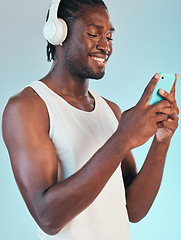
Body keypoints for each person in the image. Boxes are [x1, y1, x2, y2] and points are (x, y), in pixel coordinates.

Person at [2, 0, 179, 239]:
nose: (105, 46)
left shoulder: (111, 110)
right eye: (94, 34)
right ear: (59, 34)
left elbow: (134, 210)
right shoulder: (27, 107)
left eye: (109, 36)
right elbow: (48, 218)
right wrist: (122, 139)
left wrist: (161, 141)